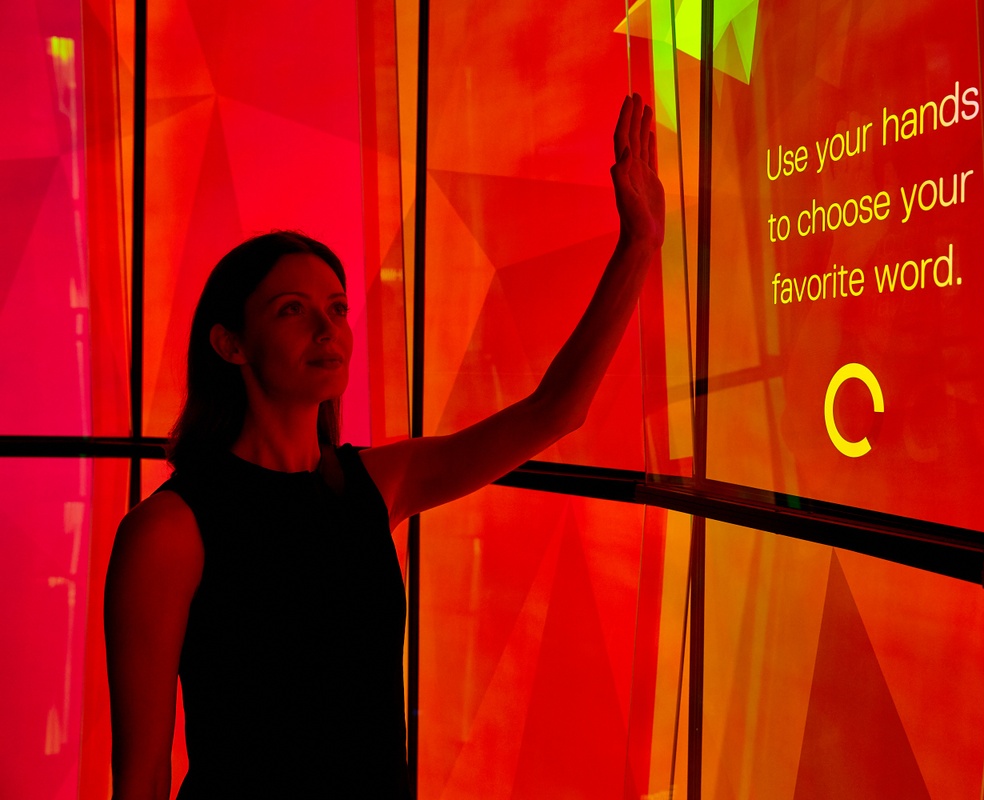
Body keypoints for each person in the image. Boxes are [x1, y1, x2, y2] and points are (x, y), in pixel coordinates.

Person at [103, 94, 664, 800]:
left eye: (336, 308)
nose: (327, 328)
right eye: (292, 310)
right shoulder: (168, 533)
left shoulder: (374, 482)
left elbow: (555, 413)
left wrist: (638, 244)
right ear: (230, 344)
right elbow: (141, 780)